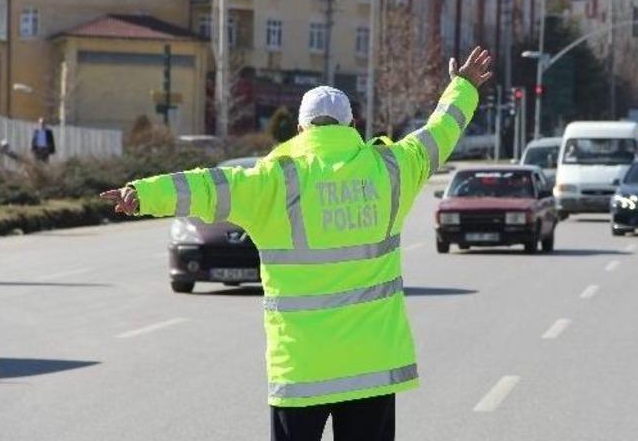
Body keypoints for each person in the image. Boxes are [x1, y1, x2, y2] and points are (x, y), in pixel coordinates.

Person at [100, 46, 493, 441]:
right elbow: (440, 134)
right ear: (351, 124)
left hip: (302, 368)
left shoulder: (274, 180)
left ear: (301, 130)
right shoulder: (391, 170)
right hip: (372, 366)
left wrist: (143, 195)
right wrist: (463, 86)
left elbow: (208, 186)